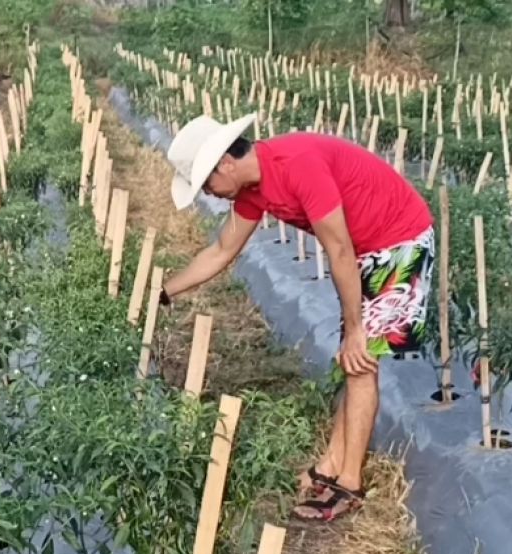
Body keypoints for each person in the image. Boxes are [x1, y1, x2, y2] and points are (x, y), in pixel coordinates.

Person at [161, 113, 435, 523]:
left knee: (359, 362)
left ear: (225, 164)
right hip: (365, 248)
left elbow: (338, 249)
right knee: (352, 361)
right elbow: (221, 251)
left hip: (399, 241)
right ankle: (330, 465)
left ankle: (350, 484)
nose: (210, 193)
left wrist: (356, 328)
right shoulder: (252, 190)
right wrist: (163, 291)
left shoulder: (297, 165)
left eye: (207, 183)